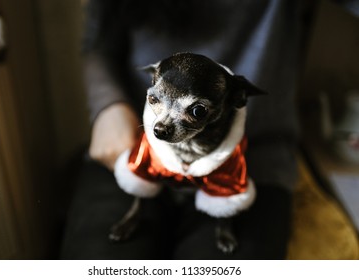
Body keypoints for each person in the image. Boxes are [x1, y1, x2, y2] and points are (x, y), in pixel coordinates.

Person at [60, 0, 300, 259]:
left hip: (258, 156)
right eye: (155, 99)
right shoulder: (149, 139)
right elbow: (99, 42)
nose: (164, 125)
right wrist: (108, 107)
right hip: (130, 140)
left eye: (195, 111)